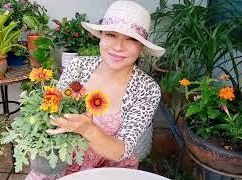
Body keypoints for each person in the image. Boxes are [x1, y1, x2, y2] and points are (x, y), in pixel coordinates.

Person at [26, 1, 165, 179]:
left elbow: (120, 152)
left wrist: (89, 129)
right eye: (111, 35)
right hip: (60, 161)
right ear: (100, 36)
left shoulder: (146, 89)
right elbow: (54, 112)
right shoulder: (79, 66)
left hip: (108, 171)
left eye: (131, 39)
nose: (118, 47)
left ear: (142, 47)